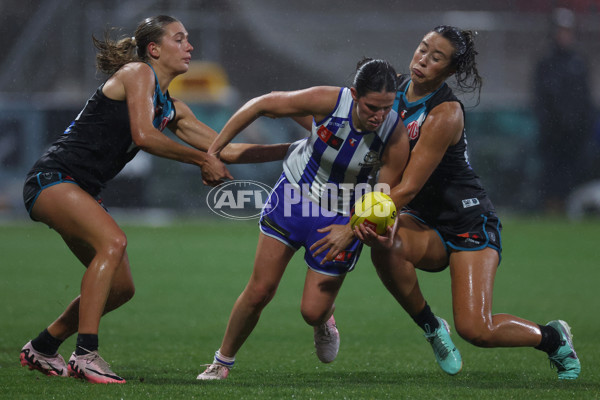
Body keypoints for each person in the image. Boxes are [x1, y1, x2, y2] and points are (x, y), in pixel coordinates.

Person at [19, 15, 289, 384]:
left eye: (188, 39)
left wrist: (295, 149)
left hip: (80, 190)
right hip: (52, 179)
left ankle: (44, 346)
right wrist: (201, 159)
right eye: (179, 39)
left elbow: (227, 149)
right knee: (113, 242)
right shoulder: (137, 73)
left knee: (121, 288)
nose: (189, 46)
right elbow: (144, 135)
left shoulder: (172, 107)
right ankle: (85, 355)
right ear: (154, 49)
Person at [348, 25, 580, 380]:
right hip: (424, 222)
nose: (423, 60)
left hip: (467, 221)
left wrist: (349, 224)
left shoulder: (445, 113)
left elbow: (407, 188)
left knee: (477, 330)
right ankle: (431, 327)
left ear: (451, 70)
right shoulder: (388, 89)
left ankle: (553, 338)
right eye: (423, 48)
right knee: (384, 244)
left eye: (436, 57)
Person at [196, 58, 410, 380]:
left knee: (312, 311)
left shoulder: (394, 134)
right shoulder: (329, 101)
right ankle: (221, 362)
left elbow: (381, 198)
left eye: (386, 107)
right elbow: (262, 104)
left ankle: (325, 319)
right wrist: (213, 151)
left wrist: (351, 231)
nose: (379, 115)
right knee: (259, 290)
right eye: (371, 107)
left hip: (342, 217)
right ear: (354, 95)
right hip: (294, 197)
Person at [533, 8, 594, 215]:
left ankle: (572, 210)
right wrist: (550, 125)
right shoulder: (545, 62)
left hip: (575, 135)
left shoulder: (579, 61)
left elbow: (585, 98)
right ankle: (552, 209)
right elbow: (540, 99)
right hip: (553, 135)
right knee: (552, 176)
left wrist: (581, 126)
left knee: (574, 174)